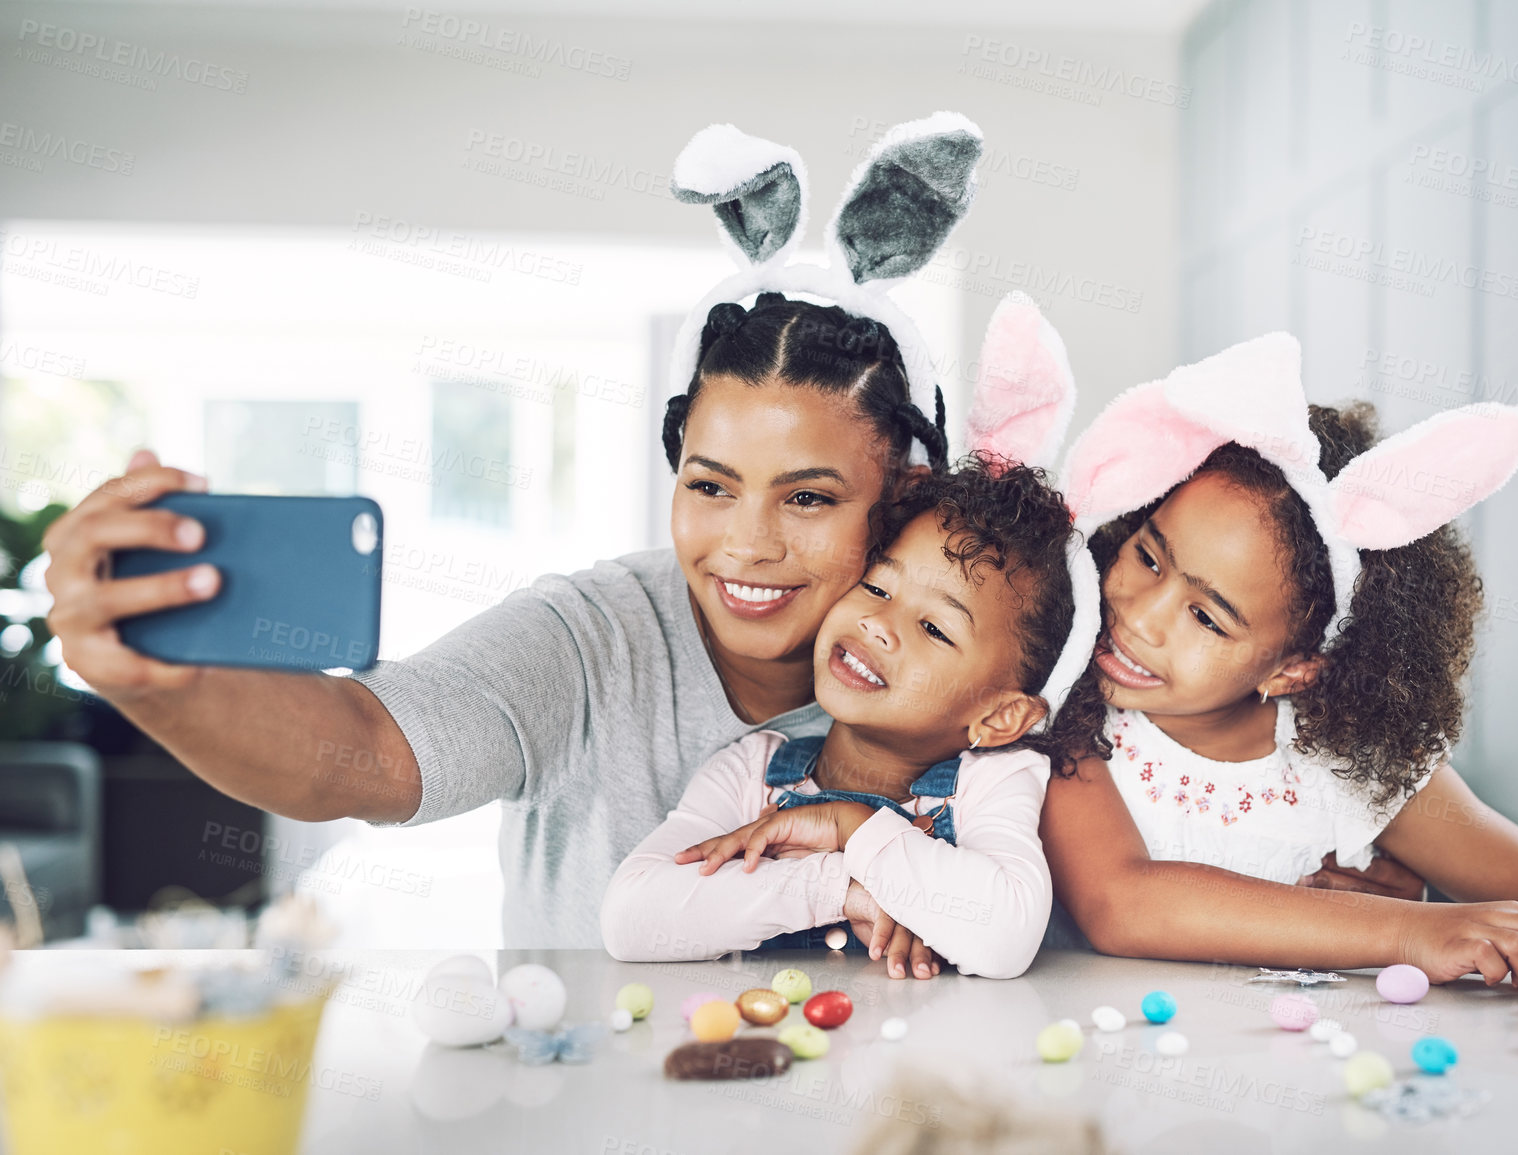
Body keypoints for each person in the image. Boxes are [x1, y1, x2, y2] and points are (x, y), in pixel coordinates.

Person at [41, 114, 979, 949]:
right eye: (711, 485)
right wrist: (162, 684)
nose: (747, 543)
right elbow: (358, 752)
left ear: (900, 493)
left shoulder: (973, 661)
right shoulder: (587, 637)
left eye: (808, 498)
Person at [1041, 333, 1518, 987]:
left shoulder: (1351, 761)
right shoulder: (1066, 707)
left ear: (1294, 669)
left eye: (1205, 617)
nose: (1139, 614)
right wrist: (1407, 929)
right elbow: (1120, 902)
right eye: (1148, 555)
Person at [602, 459, 1076, 980]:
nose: (878, 624)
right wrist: (839, 890)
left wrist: (849, 827)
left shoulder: (991, 783)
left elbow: (1005, 938)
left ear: (1001, 715)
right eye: (876, 588)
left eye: (934, 628)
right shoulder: (750, 772)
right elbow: (630, 918)